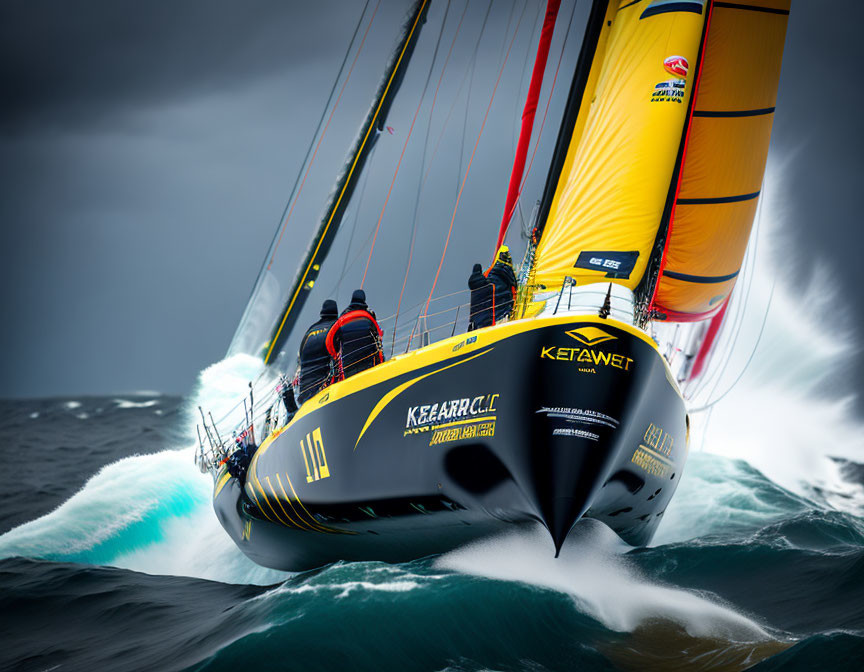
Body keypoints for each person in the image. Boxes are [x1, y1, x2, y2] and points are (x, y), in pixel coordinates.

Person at [326, 289, 383, 379]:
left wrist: (335, 355)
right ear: (364, 300)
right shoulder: (369, 316)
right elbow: (379, 337)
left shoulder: (342, 318)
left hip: (348, 367)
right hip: (369, 364)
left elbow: (329, 340)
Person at [296, 299, 339, 405]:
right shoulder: (336, 328)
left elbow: (300, 358)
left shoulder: (310, 330)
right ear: (336, 312)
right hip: (324, 392)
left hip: (304, 391)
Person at [487, 244, 517, 323]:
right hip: (504, 312)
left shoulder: (490, 273)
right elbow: (514, 290)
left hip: (492, 314)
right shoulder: (508, 272)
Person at [468, 263, 494, 330]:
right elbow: (489, 288)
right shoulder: (482, 279)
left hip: (474, 310)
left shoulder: (471, 282)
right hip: (484, 308)